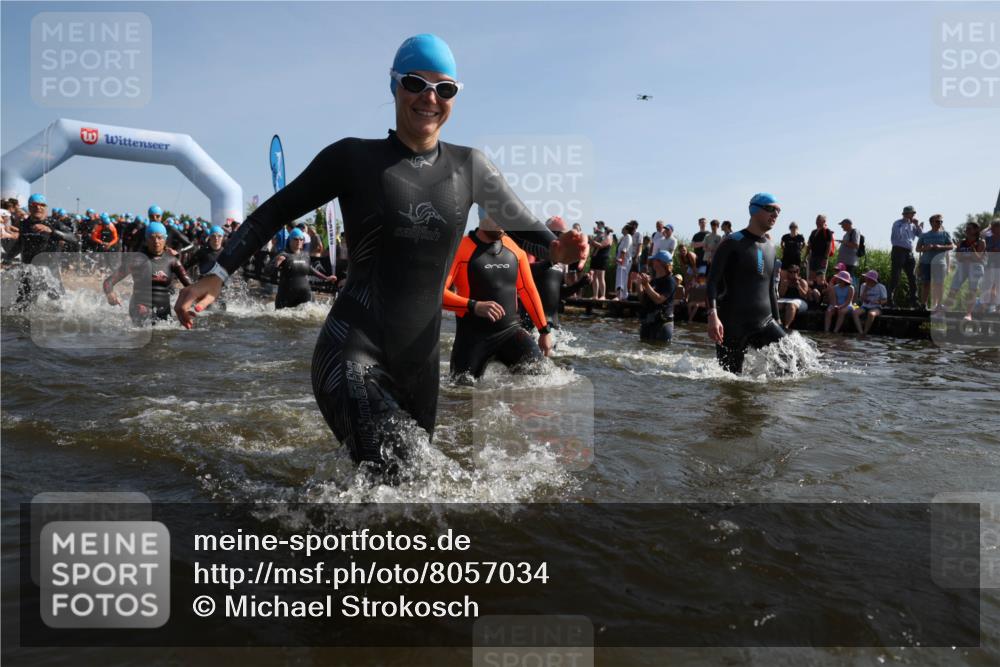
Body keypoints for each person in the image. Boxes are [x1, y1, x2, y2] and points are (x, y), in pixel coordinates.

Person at [174, 34, 587, 472]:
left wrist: (559, 249)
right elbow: (273, 213)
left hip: (420, 365)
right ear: (394, 85)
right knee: (406, 476)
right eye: (416, 83)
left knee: (408, 491)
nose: (430, 97)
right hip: (352, 351)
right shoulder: (352, 158)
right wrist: (217, 274)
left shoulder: (471, 167)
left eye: (444, 88)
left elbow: (531, 230)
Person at [442, 209, 551, 379]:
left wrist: (544, 331)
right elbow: (437, 295)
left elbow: (528, 291)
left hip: (510, 332)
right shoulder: (461, 248)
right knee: (461, 390)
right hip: (472, 337)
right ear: (482, 218)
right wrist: (474, 306)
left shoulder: (515, 249)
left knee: (543, 377)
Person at [705, 193, 786, 374]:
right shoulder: (732, 242)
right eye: (771, 209)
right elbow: (712, 282)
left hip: (765, 322)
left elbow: (771, 290)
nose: (775, 214)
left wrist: (778, 321)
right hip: (732, 325)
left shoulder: (771, 248)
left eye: (778, 211)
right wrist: (712, 315)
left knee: (795, 363)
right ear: (754, 210)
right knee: (730, 381)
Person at [104, 222, 192, 324]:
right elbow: (108, 282)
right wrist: (110, 294)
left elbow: (191, 287)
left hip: (163, 312)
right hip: (139, 308)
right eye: (152, 238)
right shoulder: (136, 260)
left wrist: (188, 305)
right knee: (144, 314)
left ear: (165, 239)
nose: (156, 241)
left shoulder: (172, 261)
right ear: (146, 239)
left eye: (159, 238)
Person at [270, 228, 335, 309]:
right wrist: (276, 264)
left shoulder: (305, 255)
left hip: (304, 297)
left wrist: (326, 278)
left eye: (301, 239)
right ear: (290, 240)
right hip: (286, 297)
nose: (299, 241)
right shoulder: (283, 255)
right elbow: (267, 271)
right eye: (296, 239)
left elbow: (311, 269)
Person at [944, 221, 987, 320]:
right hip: (962, 267)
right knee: (953, 288)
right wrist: (960, 248)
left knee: (972, 290)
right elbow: (958, 257)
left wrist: (972, 250)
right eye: (966, 229)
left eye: (969, 229)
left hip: (976, 267)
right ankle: (945, 309)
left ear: (976, 230)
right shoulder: (962, 242)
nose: (966, 230)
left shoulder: (981, 242)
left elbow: (978, 258)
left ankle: (968, 314)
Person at [887, 205, 923, 308]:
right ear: (906, 214)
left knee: (912, 277)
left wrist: (918, 226)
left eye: (914, 213)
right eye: (912, 213)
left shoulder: (913, 225)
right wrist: (907, 223)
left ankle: (914, 300)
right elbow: (899, 234)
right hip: (898, 251)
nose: (913, 215)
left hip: (909, 252)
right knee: (896, 276)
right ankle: (890, 300)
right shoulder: (898, 223)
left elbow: (921, 236)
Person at [916, 214, 954, 311]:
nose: (939, 223)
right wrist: (926, 248)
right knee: (926, 284)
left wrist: (940, 247)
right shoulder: (924, 235)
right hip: (926, 263)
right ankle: (923, 305)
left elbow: (951, 246)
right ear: (931, 223)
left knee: (939, 284)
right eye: (937, 221)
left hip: (940, 264)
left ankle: (939, 305)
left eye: (941, 221)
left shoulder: (945, 234)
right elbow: (917, 249)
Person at [637, 250, 676, 342]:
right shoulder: (653, 280)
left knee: (659, 349)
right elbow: (643, 300)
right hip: (648, 321)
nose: (652, 262)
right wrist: (639, 284)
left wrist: (646, 285)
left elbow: (659, 300)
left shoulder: (670, 281)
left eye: (654, 260)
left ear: (660, 262)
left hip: (662, 323)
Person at [777, 264, 812, 329]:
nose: (792, 274)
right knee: (776, 305)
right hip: (785, 299)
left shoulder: (802, 282)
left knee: (791, 305)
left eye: (794, 272)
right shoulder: (784, 282)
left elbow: (805, 296)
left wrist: (798, 287)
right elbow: (781, 295)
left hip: (800, 301)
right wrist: (785, 286)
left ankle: (786, 326)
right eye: (790, 272)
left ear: (798, 272)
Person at [852, 270, 887, 334]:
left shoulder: (881, 287)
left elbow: (885, 300)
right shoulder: (863, 285)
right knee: (855, 312)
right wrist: (865, 290)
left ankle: (865, 332)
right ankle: (861, 332)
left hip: (876, 307)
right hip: (864, 306)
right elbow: (861, 299)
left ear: (872, 280)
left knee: (871, 314)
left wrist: (878, 302)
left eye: (867, 278)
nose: (866, 279)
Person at [804, 215, 834, 283]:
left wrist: (825, 258)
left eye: (819, 220)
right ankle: (812, 290)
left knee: (820, 278)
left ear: (824, 221)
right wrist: (805, 257)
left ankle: (821, 289)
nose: (817, 222)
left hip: (822, 258)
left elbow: (829, 245)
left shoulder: (827, 231)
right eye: (816, 220)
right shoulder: (813, 232)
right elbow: (809, 245)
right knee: (811, 279)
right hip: (813, 257)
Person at [589, 221, 611, 299]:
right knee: (594, 276)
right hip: (595, 257)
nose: (597, 226)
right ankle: (595, 295)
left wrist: (592, 241)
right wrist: (592, 241)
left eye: (599, 224)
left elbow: (601, 245)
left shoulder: (608, 237)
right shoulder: (597, 236)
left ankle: (603, 296)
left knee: (601, 277)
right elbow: (592, 245)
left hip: (602, 258)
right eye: (597, 224)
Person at [982, 219, 1000, 313]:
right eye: (992, 228)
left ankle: (997, 307)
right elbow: (982, 234)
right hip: (989, 265)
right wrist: (989, 226)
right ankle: (987, 306)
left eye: (994, 227)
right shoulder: (988, 238)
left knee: (998, 286)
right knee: (988, 285)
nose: (992, 230)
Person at [614, 222, 633, 300]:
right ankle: (624, 296)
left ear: (627, 230)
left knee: (621, 277)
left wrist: (621, 259)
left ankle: (619, 296)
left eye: (623, 228)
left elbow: (624, 249)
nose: (622, 229)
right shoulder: (624, 237)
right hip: (622, 261)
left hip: (624, 261)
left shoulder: (628, 236)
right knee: (623, 277)